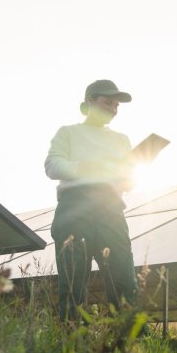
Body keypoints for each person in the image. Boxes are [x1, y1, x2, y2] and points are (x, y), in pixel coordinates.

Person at [45, 79, 138, 323]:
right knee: (74, 279)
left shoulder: (121, 139)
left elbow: (130, 181)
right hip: (75, 207)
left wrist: (126, 179)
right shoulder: (68, 133)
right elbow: (52, 166)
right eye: (108, 102)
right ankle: (72, 340)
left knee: (123, 277)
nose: (113, 109)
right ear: (89, 102)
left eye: (117, 105)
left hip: (111, 208)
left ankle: (130, 341)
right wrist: (90, 168)